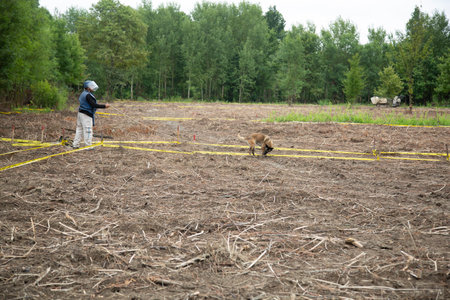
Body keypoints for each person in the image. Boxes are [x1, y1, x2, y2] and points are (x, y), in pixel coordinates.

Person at [72, 80, 110, 148]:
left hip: (81, 113)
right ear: (88, 87)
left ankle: (75, 144)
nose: (93, 88)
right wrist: (104, 106)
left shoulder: (83, 93)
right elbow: (94, 105)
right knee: (88, 130)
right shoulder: (88, 95)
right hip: (86, 115)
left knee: (79, 129)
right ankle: (88, 146)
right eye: (91, 86)